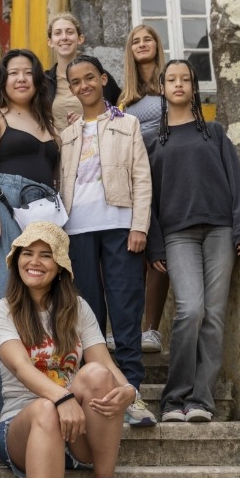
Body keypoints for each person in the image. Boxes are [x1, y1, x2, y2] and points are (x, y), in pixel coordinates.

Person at [0, 222, 134, 478]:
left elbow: (105, 362)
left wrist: (130, 391)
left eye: (45, 254)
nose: (34, 262)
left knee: (98, 374)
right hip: (22, 428)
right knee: (43, 409)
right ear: (16, 260)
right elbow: (22, 369)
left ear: (60, 267)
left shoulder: (78, 308)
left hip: (75, 430)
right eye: (27, 253)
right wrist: (63, 397)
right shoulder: (1, 310)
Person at [146, 60, 240, 423]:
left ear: (194, 87)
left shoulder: (215, 132)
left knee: (214, 316)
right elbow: (148, 200)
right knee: (190, 310)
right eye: (171, 79)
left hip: (221, 231)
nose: (178, 84)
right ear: (162, 88)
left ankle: (202, 401)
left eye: (185, 79)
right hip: (178, 235)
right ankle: (174, 399)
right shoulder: (153, 141)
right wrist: (155, 245)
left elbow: (236, 182)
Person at [59, 55, 156, 427]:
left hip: (119, 224)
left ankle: (133, 393)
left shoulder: (127, 124)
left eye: (90, 78)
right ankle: (96, 391)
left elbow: (142, 178)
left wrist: (140, 226)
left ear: (102, 79)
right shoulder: (67, 135)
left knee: (125, 309)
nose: (84, 86)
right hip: (77, 230)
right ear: (70, 88)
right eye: (76, 82)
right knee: (87, 314)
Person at [0, 48, 59, 421]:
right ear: (3, 80)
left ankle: (38, 391)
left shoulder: (48, 122)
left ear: (37, 80)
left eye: (28, 72)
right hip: (2, 208)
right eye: (13, 72)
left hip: (43, 215)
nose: (21, 78)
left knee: (39, 300)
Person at [119, 24, 168, 355]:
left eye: (147, 39)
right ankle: (133, 328)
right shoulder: (124, 95)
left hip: (166, 170)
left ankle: (152, 329)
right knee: (137, 249)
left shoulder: (170, 84)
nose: (141, 44)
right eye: (135, 41)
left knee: (160, 249)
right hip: (135, 174)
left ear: (157, 45)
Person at [44, 13, 121, 131]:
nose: (64, 37)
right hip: (56, 147)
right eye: (58, 33)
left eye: (70, 32)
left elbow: (119, 110)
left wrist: (89, 121)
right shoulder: (43, 82)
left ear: (80, 39)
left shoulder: (98, 76)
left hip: (96, 145)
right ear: (50, 42)